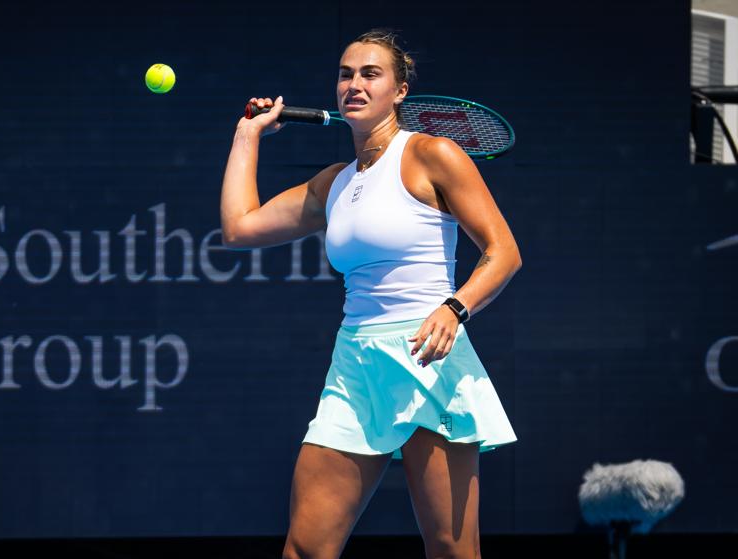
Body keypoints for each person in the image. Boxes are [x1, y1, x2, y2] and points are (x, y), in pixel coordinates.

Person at [220, 28, 521, 559]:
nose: (353, 84)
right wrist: (248, 135)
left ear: (400, 91)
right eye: (345, 74)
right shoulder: (334, 182)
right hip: (354, 365)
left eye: (369, 74)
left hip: (428, 358)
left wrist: (456, 307)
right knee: (307, 549)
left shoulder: (434, 154)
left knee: (453, 552)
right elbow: (240, 229)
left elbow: (503, 252)